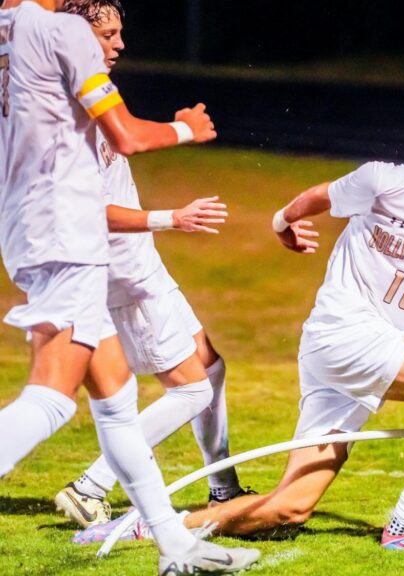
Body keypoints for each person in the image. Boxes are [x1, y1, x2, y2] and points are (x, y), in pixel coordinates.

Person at [91, 83, 404, 550]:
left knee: (291, 507)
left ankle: (156, 524)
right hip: (345, 334)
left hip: (359, 359)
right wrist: (281, 224)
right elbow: (317, 196)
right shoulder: (383, 182)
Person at [0, 0, 259, 573]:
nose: (115, 43)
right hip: (66, 234)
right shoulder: (59, 29)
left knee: (117, 403)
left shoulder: (10, 25)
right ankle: (113, 499)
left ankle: (177, 547)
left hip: (38, 229)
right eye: (107, 33)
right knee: (50, 398)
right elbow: (125, 135)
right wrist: (184, 129)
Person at [53, 0, 247, 533]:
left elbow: (128, 137)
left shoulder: (85, 93)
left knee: (210, 365)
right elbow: (88, 208)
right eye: (108, 34)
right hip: (124, 272)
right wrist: (171, 217)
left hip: (137, 265)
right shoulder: (66, 107)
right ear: (76, 36)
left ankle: (222, 484)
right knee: (190, 389)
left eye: (121, 32)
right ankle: (90, 487)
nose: (119, 44)